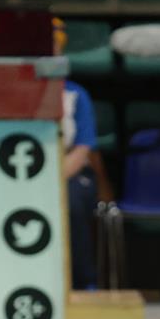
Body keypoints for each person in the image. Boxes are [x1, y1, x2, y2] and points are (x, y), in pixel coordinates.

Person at [53, 19, 114, 291]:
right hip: (24, 173)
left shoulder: (76, 95)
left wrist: (52, 180)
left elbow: (82, 148)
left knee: (72, 201)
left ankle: (84, 281)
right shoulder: (15, 94)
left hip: (69, 172)